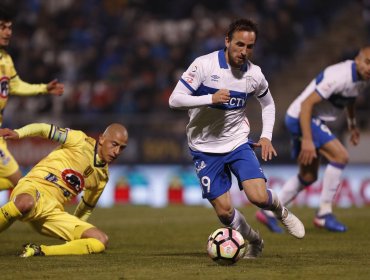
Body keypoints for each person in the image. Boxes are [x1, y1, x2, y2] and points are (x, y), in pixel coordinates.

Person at [169, 18, 305, 259]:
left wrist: (266, 136)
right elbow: (175, 100)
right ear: (227, 41)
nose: (244, 51)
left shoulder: (254, 75)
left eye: (249, 47)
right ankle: (254, 240)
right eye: (239, 44)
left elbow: (268, 104)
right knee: (224, 213)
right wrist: (209, 98)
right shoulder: (204, 66)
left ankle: (281, 212)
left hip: (237, 142)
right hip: (204, 148)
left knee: (258, 197)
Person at [256, 46, 370, 233]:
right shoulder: (338, 76)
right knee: (340, 156)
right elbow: (306, 104)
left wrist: (352, 124)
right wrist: (308, 140)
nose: (369, 68)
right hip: (302, 117)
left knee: (309, 176)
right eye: (368, 62)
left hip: (311, 119)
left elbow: (350, 98)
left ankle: (268, 213)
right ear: (357, 59)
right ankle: (324, 214)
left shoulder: (363, 78)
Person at [0, 122, 128, 257]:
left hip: (52, 211)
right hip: (34, 186)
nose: (117, 152)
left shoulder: (102, 177)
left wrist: (73, 229)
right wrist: (19, 133)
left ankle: (39, 250)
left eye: (122, 148)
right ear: (102, 138)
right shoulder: (79, 140)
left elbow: (87, 207)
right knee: (24, 203)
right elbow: (44, 129)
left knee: (101, 240)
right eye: (114, 144)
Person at [0, 5, 64, 192]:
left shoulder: (5, 59)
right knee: (20, 182)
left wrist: (43, 88)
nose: (8, 32)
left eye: (10, 27)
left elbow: (15, 85)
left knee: (16, 183)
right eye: (3, 26)